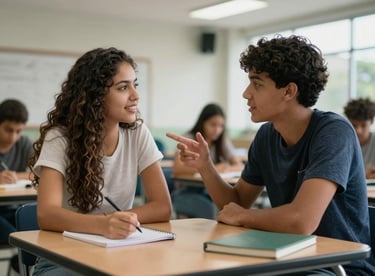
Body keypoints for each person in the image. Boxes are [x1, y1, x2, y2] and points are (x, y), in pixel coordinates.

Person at [167, 35, 375, 275]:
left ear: (289, 91)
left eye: (257, 84)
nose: (246, 93)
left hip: (338, 266)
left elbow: (301, 222)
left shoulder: (334, 132)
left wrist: (245, 216)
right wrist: (205, 166)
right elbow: (235, 204)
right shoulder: (267, 135)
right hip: (287, 256)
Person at [29, 47, 172, 275]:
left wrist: (124, 221)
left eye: (135, 85)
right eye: (123, 87)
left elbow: (162, 207)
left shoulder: (137, 133)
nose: (136, 95)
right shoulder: (60, 137)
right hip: (63, 256)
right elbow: (47, 214)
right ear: (94, 96)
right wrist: (104, 224)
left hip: (118, 252)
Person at [172, 103, 244, 219]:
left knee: (231, 204)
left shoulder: (221, 141)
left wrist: (225, 168)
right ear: (203, 123)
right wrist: (212, 168)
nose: (217, 130)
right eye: (213, 125)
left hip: (210, 190)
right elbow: (177, 169)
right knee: (209, 208)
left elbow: (239, 165)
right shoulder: (189, 139)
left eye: (221, 126)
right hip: (188, 191)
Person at [0, 98, 33, 273]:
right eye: (8, 130)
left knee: (33, 224)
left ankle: (20, 261)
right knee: (21, 237)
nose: (13, 137)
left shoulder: (24, 143)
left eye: (18, 131)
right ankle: (21, 260)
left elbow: (38, 172)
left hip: (16, 208)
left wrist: (15, 175)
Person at [344, 98, 375, 179]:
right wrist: (364, 176)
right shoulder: (341, 143)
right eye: (354, 125)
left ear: (371, 121)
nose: (358, 131)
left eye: (363, 125)